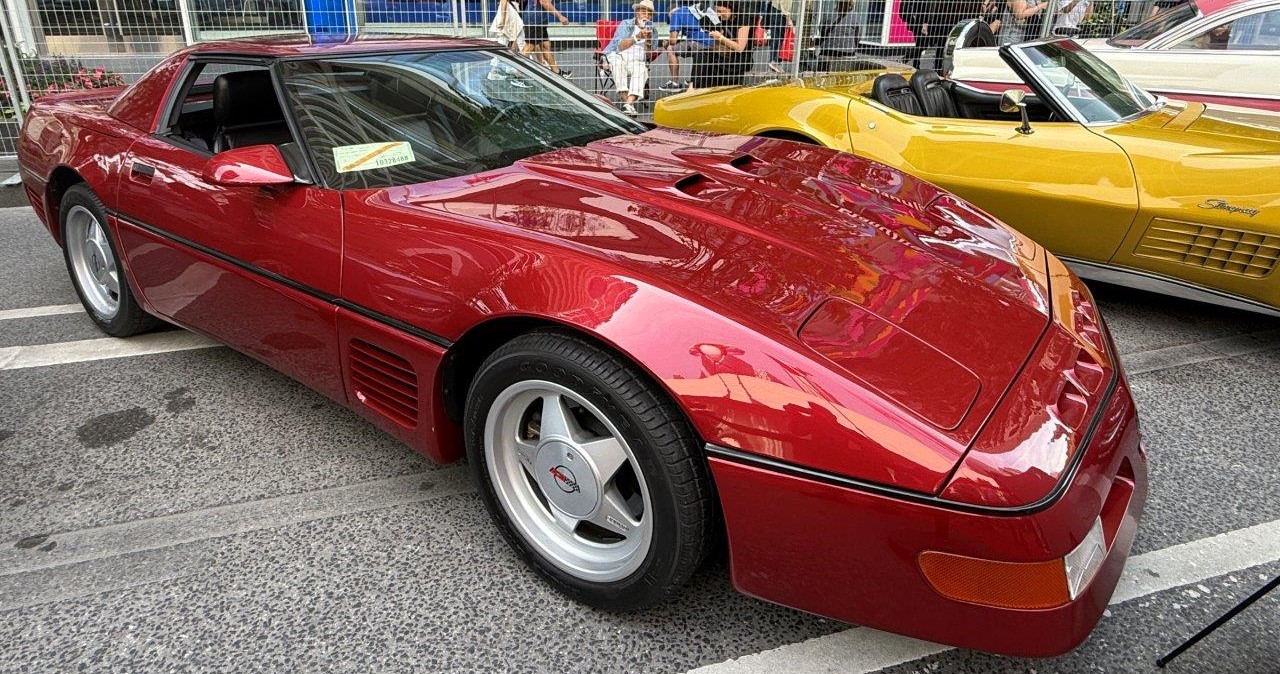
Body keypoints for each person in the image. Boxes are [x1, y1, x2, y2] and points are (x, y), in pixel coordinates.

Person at [603, 0, 658, 116]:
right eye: (643, 12)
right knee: (617, 64)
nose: (646, 15)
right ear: (637, 12)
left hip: (637, 59)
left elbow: (649, 56)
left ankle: (628, 104)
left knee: (642, 69)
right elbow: (620, 46)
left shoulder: (653, 30)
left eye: (649, 14)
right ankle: (628, 103)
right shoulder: (626, 24)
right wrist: (637, 37)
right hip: (619, 55)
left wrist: (648, 41)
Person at [691, 1, 752, 88]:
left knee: (706, 57)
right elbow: (718, 45)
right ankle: (694, 86)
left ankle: (697, 86)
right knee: (701, 54)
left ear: (730, 8)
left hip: (740, 58)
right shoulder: (723, 20)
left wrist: (721, 37)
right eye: (717, 11)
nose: (718, 14)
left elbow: (740, 48)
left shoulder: (743, 20)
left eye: (720, 11)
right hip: (726, 53)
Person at [662, 3, 715, 91]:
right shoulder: (691, 10)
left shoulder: (676, 13)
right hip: (714, 42)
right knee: (691, 48)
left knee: (671, 49)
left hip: (698, 42)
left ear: (671, 13)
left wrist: (666, 43)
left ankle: (675, 84)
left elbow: (673, 40)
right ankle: (693, 79)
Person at [522, 0, 572, 77]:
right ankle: (516, 72)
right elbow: (544, 2)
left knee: (545, 46)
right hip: (535, 20)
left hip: (538, 20)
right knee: (529, 46)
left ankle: (557, 73)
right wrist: (560, 16)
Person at [901, 0, 948, 68]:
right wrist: (913, 21)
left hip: (937, 22)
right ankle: (911, 62)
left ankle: (938, 67)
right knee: (921, 45)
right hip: (920, 23)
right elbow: (904, 8)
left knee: (939, 45)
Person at [750, 0, 793, 73]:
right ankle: (774, 61)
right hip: (779, 11)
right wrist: (788, 17)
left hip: (774, 8)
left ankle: (774, 62)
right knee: (779, 38)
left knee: (775, 36)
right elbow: (784, 3)